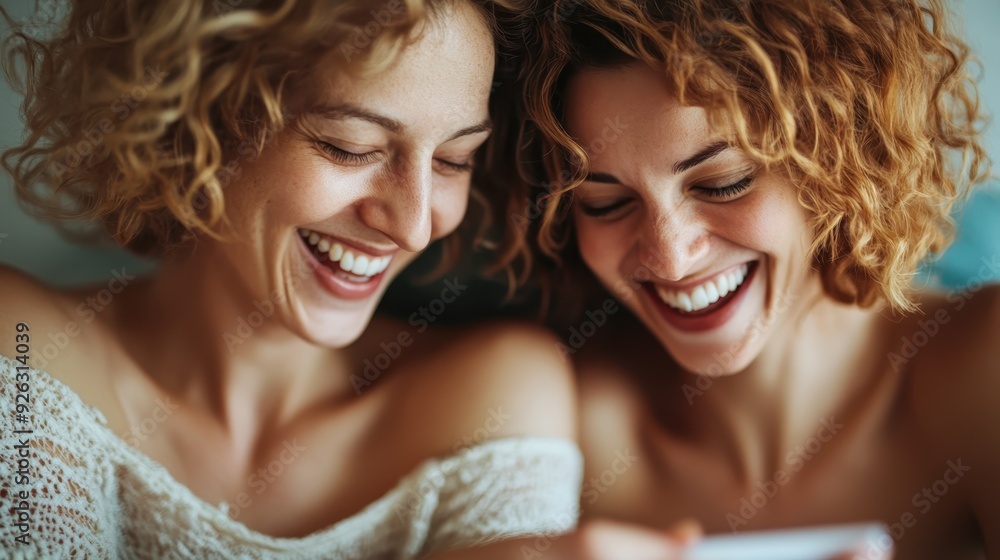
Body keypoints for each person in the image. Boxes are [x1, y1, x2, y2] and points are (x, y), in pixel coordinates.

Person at [0, 0, 583, 557]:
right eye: (350, 147)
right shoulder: (26, 347)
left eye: (453, 159)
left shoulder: (493, 396)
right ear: (194, 112)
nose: (413, 227)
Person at [515, 0, 997, 558]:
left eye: (724, 183)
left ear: (837, 157)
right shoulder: (565, 422)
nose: (671, 259)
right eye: (606, 203)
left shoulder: (981, 363)